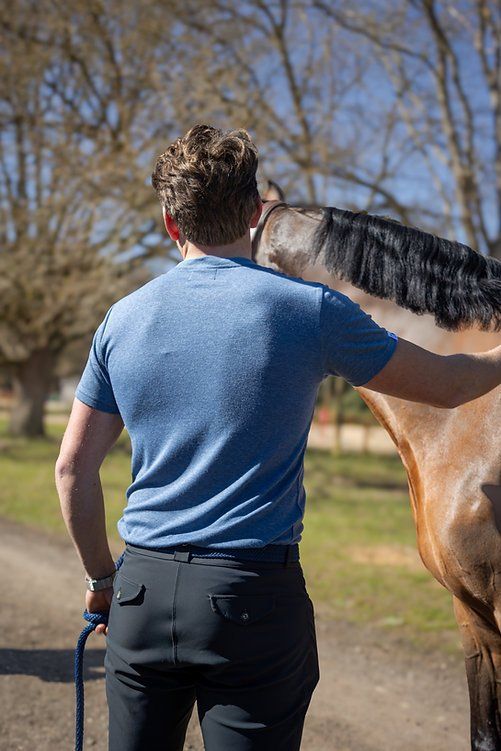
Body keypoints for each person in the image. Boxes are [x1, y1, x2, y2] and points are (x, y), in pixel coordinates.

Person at [55, 124, 501, 751]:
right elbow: (452, 385)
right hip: (252, 599)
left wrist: (102, 579)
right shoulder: (309, 309)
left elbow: (72, 470)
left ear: (169, 223)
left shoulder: (120, 319)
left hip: (141, 593)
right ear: (252, 211)